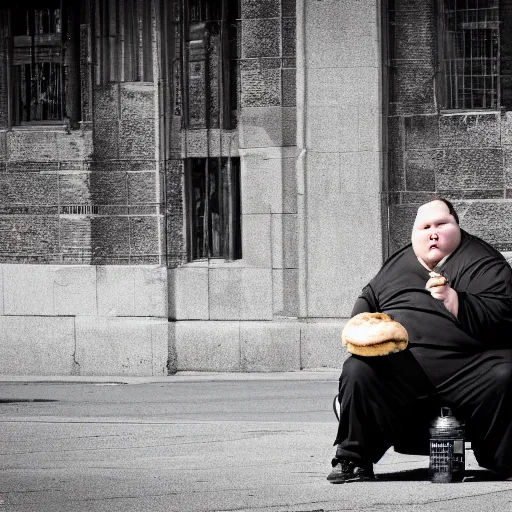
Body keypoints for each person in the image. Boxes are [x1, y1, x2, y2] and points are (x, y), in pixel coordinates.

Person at [327, 198, 512, 483]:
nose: (433, 233)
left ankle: (506, 461)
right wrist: (360, 325)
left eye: (441, 224)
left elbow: (505, 314)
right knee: (358, 369)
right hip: (404, 373)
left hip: (469, 371)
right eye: (425, 227)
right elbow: (369, 297)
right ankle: (353, 459)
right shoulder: (397, 264)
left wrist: (457, 302)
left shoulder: (484, 262)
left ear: (457, 227)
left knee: (506, 372)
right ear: (414, 234)